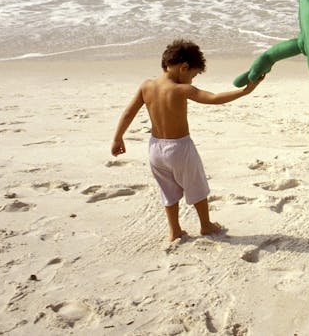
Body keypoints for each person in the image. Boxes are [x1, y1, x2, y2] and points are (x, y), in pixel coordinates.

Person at [111, 39, 262, 241]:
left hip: (155, 149)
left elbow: (129, 113)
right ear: (184, 68)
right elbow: (214, 98)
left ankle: (174, 231)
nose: (192, 80)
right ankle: (206, 225)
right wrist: (246, 91)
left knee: (167, 190)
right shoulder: (182, 90)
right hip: (180, 148)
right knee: (196, 186)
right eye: (193, 74)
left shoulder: (146, 86)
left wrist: (118, 138)